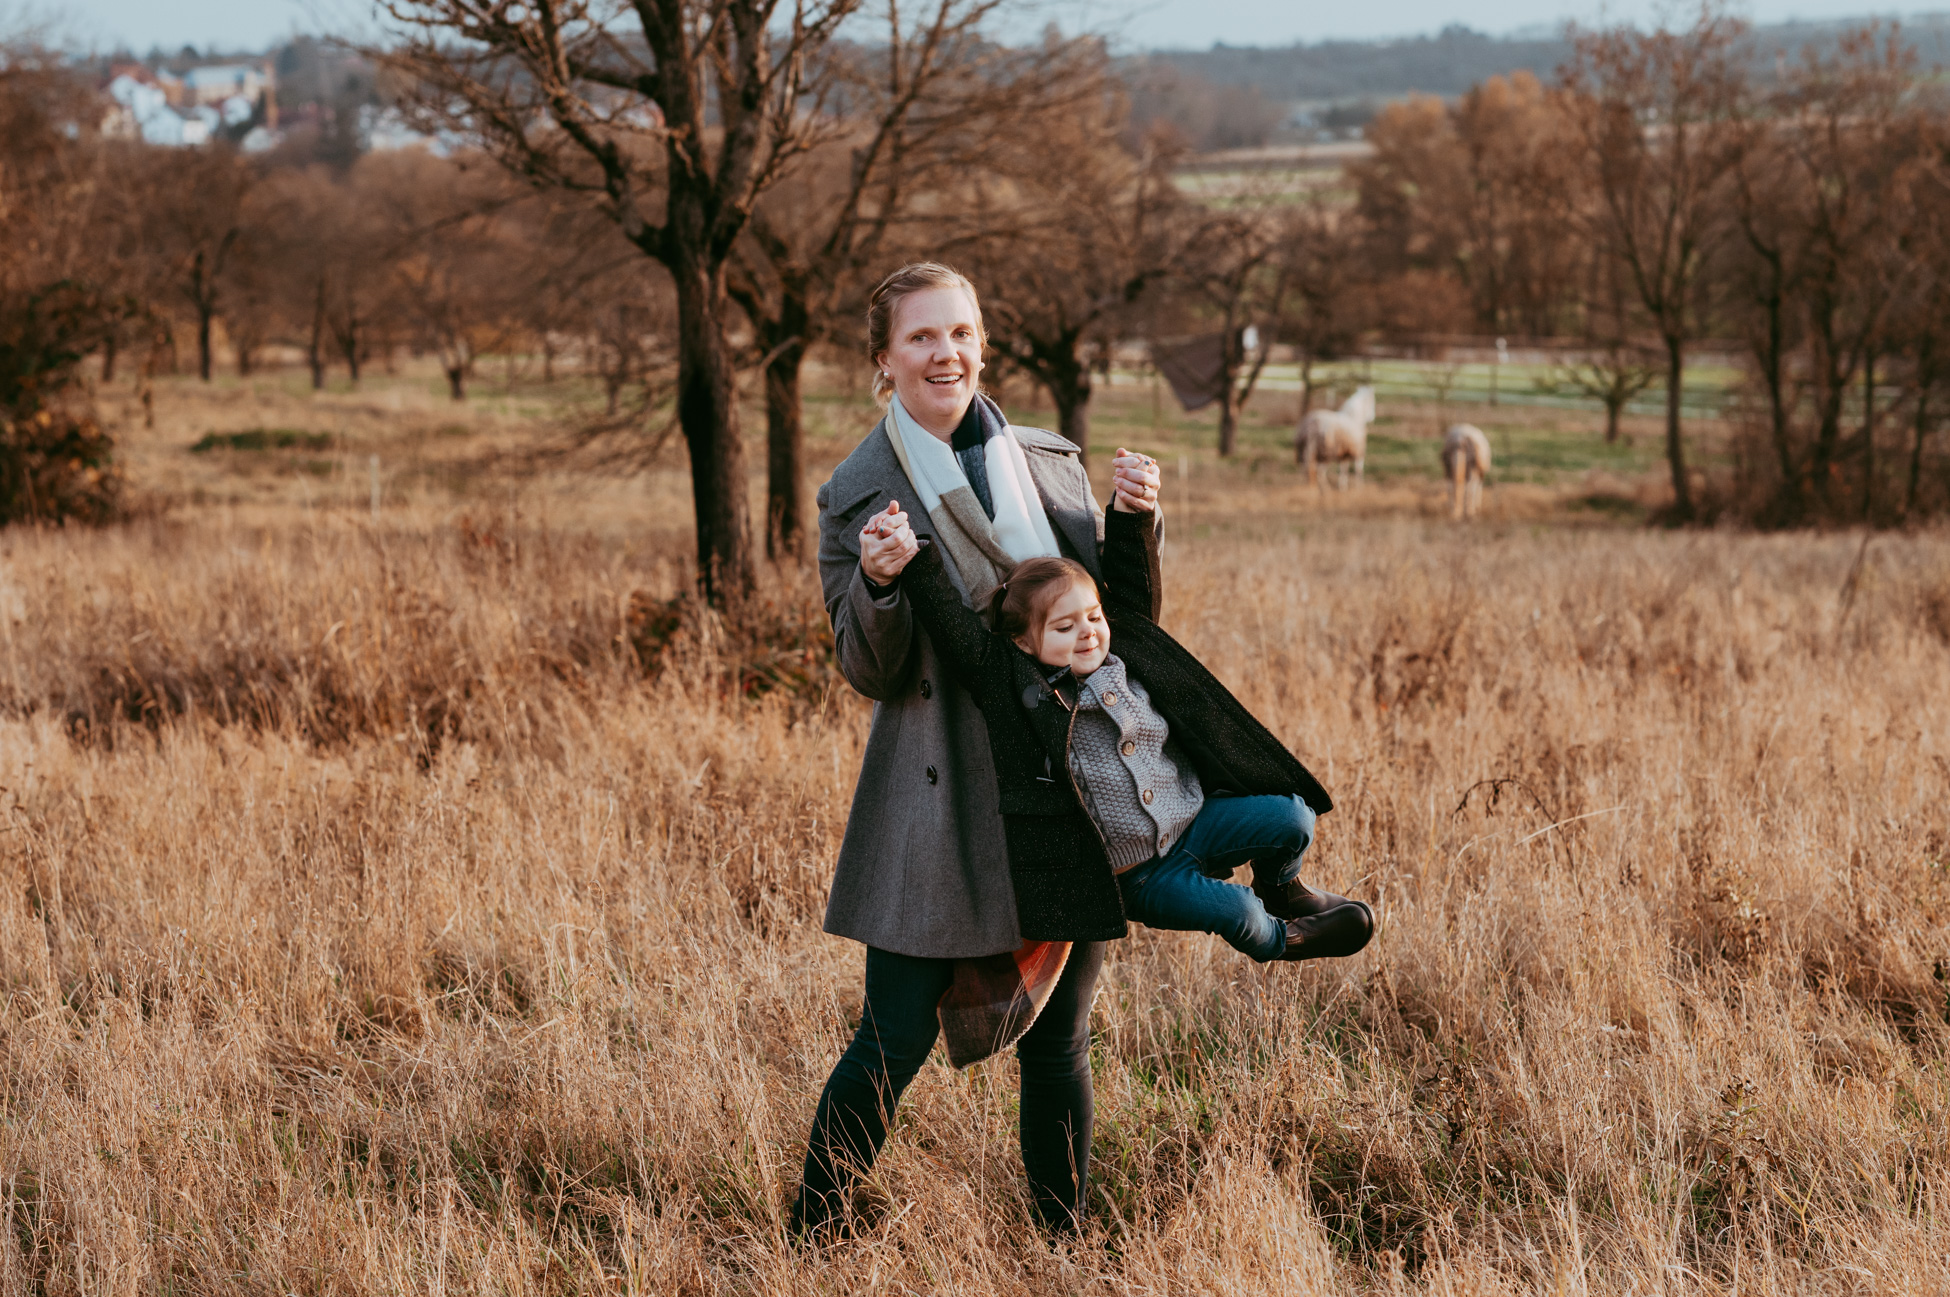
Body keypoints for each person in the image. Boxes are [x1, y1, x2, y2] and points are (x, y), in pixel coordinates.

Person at [865, 522, 1374, 967]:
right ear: (1023, 643)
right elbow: (959, 637)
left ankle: (1281, 888)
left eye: (1094, 617)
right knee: (1237, 912)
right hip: (1143, 877)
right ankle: (1283, 940)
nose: (1087, 634)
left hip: (1194, 823)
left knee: (1293, 816)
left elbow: (1132, 580)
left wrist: (1132, 513)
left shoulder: (1125, 657)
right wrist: (914, 560)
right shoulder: (1018, 692)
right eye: (1064, 627)